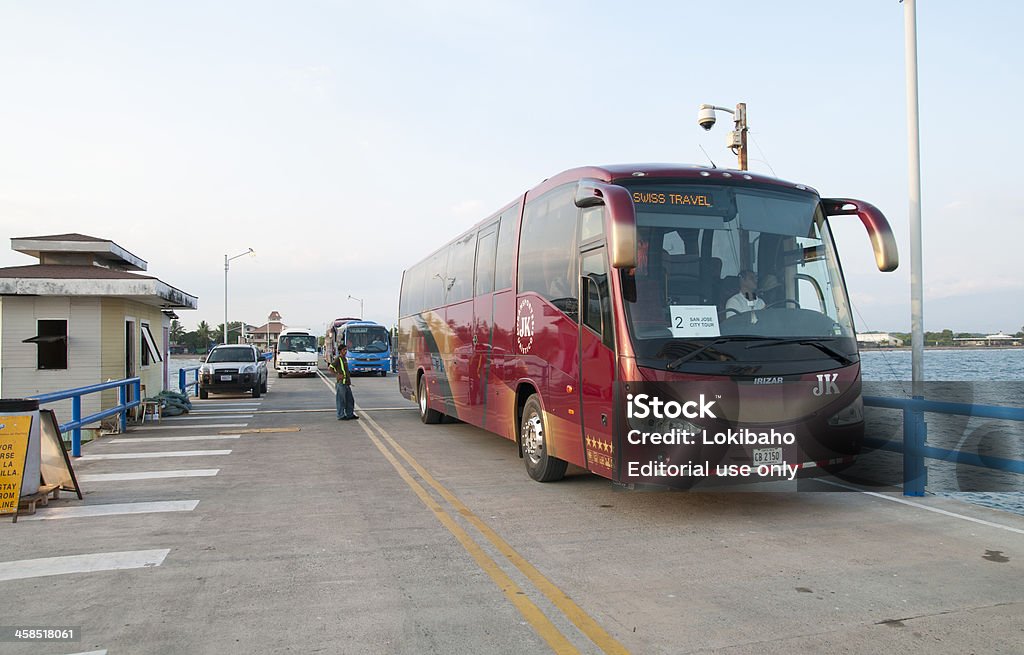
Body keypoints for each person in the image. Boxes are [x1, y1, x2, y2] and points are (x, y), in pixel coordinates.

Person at [329, 344, 358, 420]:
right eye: (344, 350)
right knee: (341, 400)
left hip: (346, 383)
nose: (345, 351)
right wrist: (337, 375)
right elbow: (331, 368)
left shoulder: (344, 359)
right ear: (340, 351)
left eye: (346, 350)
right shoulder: (338, 359)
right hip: (341, 383)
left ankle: (350, 414)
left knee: (350, 400)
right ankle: (340, 415)